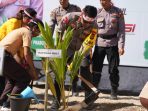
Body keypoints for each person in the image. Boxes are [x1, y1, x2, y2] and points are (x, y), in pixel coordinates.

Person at [50, 5, 98, 110]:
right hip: (66, 48)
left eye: (89, 22)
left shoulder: (94, 25)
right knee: (59, 74)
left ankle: (88, 101)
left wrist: (82, 55)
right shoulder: (69, 17)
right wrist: (59, 51)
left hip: (82, 50)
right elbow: (58, 32)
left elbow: (90, 42)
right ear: (82, 14)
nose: (87, 24)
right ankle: (56, 101)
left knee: (86, 73)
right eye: (85, 21)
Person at [0, 18, 44, 110]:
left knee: (12, 79)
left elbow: (18, 55)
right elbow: (26, 53)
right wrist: (32, 71)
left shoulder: (20, 30)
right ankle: (7, 105)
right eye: (39, 32)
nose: (38, 35)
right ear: (34, 28)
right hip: (4, 55)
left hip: (3, 55)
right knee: (24, 78)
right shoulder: (27, 32)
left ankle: (2, 102)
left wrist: (24, 66)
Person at [92, 0, 125, 100]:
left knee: (113, 69)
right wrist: (90, 46)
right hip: (99, 43)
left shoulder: (118, 12)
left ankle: (114, 91)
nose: (102, 2)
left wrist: (121, 46)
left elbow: (122, 30)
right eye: (100, 0)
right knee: (96, 69)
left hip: (113, 44)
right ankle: (94, 91)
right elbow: (93, 30)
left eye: (104, 0)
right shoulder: (97, 12)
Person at [0, 7, 37, 97]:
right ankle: (9, 103)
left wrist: (23, 61)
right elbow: (11, 41)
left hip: (5, 53)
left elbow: (19, 48)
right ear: (26, 18)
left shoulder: (22, 27)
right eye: (30, 20)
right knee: (22, 78)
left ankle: (4, 103)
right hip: (3, 52)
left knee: (11, 79)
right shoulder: (14, 22)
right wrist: (31, 69)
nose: (30, 22)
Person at [49, 0, 81, 96]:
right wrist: (49, 41)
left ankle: (74, 87)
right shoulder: (55, 11)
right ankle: (59, 89)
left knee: (74, 66)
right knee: (61, 67)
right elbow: (51, 26)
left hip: (74, 42)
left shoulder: (76, 9)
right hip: (62, 43)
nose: (62, 1)